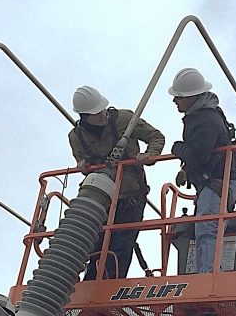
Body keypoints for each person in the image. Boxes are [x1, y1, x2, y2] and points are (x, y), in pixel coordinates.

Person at [68, 85, 165, 279]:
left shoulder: (124, 119)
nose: (103, 114)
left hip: (131, 196)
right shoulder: (77, 136)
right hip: (102, 199)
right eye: (97, 113)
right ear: (85, 117)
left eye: (103, 109)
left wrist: (150, 155)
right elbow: (83, 163)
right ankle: (90, 286)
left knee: (121, 243)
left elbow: (156, 136)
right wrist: (83, 166)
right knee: (94, 243)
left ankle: (111, 285)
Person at [168, 68, 236, 273]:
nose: (175, 102)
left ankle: (208, 279)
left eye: (179, 97)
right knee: (206, 231)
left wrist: (177, 148)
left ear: (192, 97)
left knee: (207, 231)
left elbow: (199, 156)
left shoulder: (205, 119)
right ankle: (207, 277)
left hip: (216, 184)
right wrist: (187, 170)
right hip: (217, 183)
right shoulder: (206, 116)